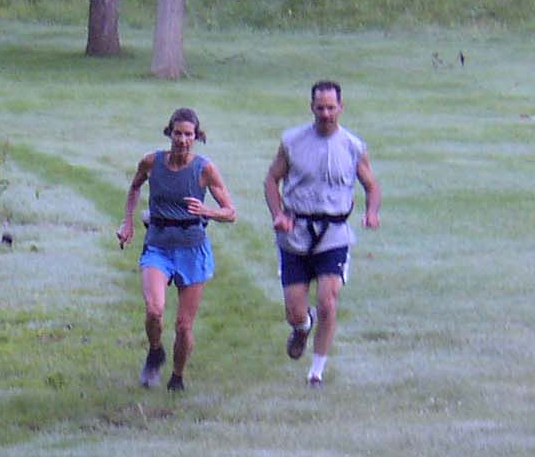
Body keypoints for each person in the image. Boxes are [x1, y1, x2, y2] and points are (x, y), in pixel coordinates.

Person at [263, 81, 381, 387]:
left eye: (331, 107)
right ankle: (302, 326)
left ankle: (316, 372)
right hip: (296, 234)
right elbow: (271, 180)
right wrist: (278, 214)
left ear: (341, 107)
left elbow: (371, 185)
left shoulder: (353, 147)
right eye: (320, 107)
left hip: (334, 233)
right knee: (294, 310)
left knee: (328, 301)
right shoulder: (292, 142)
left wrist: (371, 212)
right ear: (311, 107)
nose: (326, 113)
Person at [116, 107, 237, 391]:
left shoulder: (204, 169)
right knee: (154, 309)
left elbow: (230, 212)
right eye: (178, 133)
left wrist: (207, 210)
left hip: (192, 248)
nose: (182, 140)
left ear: (197, 137)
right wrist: (128, 223)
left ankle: (177, 378)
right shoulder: (151, 162)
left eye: (189, 135)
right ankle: (155, 350)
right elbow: (134, 188)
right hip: (158, 244)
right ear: (169, 132)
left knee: (184, 326)